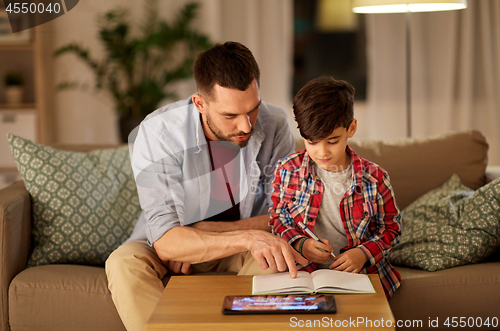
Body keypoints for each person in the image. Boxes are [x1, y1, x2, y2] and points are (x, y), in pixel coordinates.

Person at [105, 41, 307, 331]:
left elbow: (282, 217)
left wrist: (195, 236)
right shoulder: (157, 134)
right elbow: (165, 241)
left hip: (238, 249)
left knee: (277, 261)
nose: (247, 126)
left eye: (252, 109)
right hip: (192, 245)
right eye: (230, 116)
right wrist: (247, 237)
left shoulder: (274, 125)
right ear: (200, 103)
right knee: (123, 263)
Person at [269, 76, 402, 298]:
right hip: (304, 273)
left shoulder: (375, 177)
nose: (322, 152)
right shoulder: (287, 169)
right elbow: (277, 218)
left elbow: (391, 229)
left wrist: (363, 253)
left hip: (360, 275)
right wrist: (301, 243)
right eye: (311, 142)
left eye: (332, 141)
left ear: (352, 128)